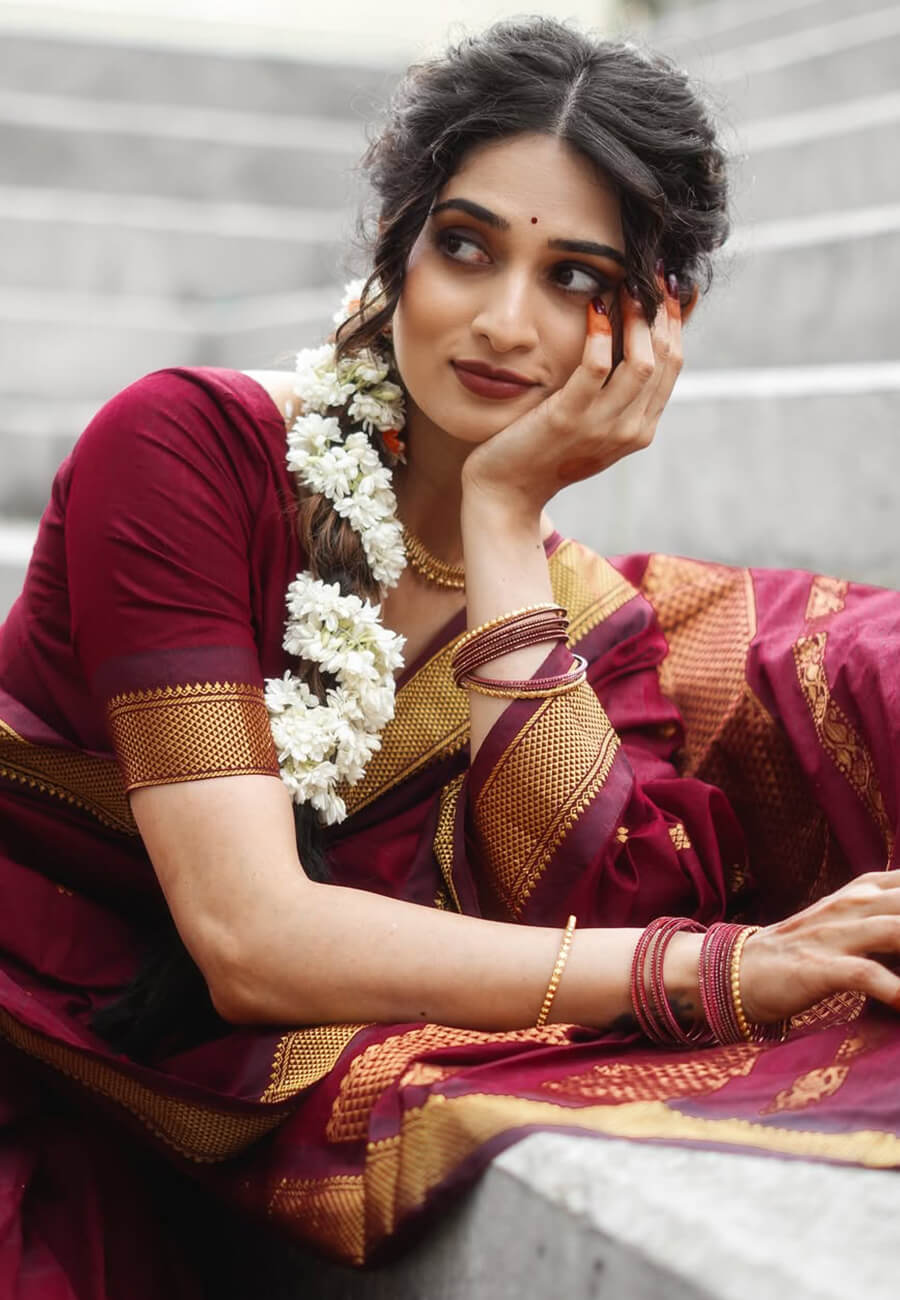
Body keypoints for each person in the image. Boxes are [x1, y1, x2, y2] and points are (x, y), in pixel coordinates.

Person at [1, 16, 899, 1297]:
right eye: (465, 247)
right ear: (397, 244)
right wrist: (724, 967)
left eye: (576, 277)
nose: (503, 322)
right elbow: (248, 936)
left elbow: (561, 919)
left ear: (657, 324)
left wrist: (502, 514)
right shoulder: (186, 454)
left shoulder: (581, 617)